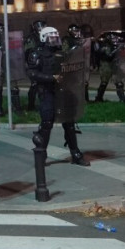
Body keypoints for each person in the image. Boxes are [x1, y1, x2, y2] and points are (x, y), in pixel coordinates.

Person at [26, 26, 90, 165]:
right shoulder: (37, 53)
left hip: (63, 92)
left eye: (56, 37)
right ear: (44, 38)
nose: (55, 39)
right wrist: (51, 78)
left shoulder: (62, 54)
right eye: (52, 37)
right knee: (47, 123)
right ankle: (41, 153)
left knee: (69, 122)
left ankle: (75, 153)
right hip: (47, 92)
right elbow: (32, 73)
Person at [94, 32, 125, 103]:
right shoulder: (106, 45)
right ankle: (98, 98)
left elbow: (123, 56)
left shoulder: (116, 45)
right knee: (104, 82)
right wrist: (116, 49)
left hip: (115, 64)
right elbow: (108, 55)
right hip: (106, 64)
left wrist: (120, 49)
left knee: (118, 82)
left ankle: (122, 100)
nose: (115, 39)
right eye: (113, 38)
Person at [24, 19, 46, 110]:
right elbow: (28, 51)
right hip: (34, 64)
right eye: (40, 26)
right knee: (35, 84)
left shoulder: (46, 36)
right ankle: (31, 105)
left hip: (44, 62)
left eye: (43, 26)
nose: (42, 28)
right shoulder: (31, 38)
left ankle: (43, 104)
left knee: (43, 84)